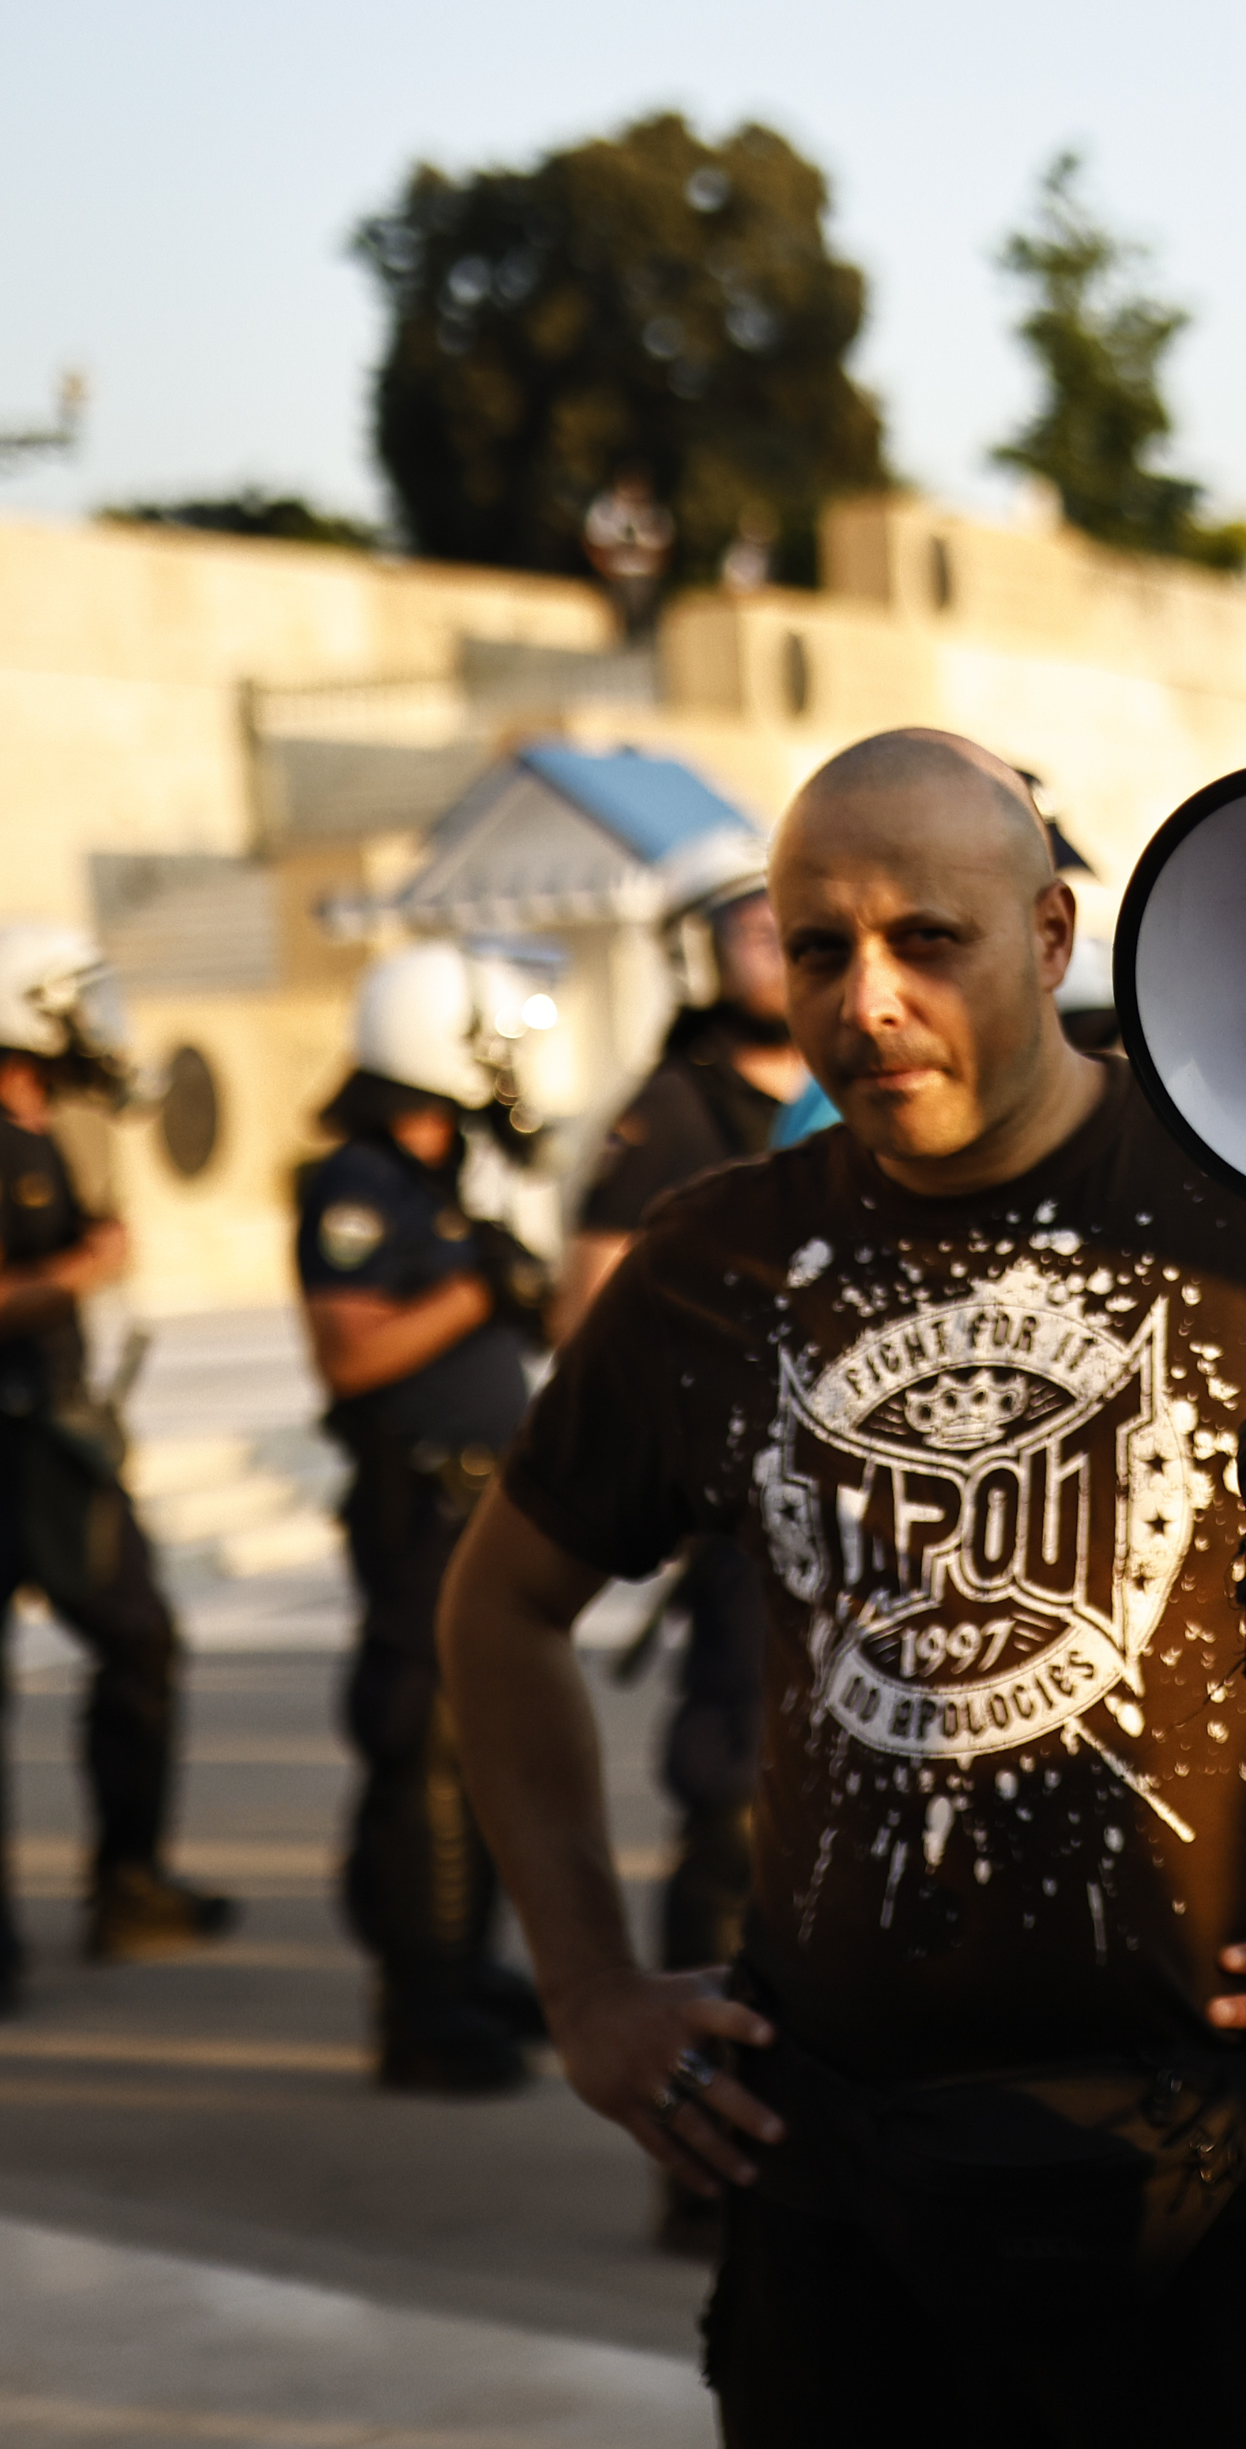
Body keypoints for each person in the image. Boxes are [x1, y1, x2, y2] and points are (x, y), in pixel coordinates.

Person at [443, 730, 1246, 2449]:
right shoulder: (717, 1257)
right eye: (817, 946)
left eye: (932, 938)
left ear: (1055, 938)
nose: (869, 999)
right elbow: (499, 1605)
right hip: (856, 2200)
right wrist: (589, 1987)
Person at [0, 920, 227, 2020]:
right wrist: (80, 1267)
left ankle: (127, 1879)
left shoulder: (49, 1134)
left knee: (140, 1640)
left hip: (62, 1442)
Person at [563, 837, 838, 2051]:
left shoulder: (856, 1072)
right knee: (732, 1803)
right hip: (747, 1505)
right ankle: (703, 2087)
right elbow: (589, 1314)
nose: (778, 945)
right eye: (751, 924)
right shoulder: (672, 1105)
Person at [301, 937, 562, 2092]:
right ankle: (419, 2000)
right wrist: (476, 1289)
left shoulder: (444, 1171)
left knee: (488, 1740)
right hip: (419, 1499)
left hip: (480, 1493)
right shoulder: (355, 1180)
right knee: (425, 1748)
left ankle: (463, 1962)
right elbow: (349, 1352)